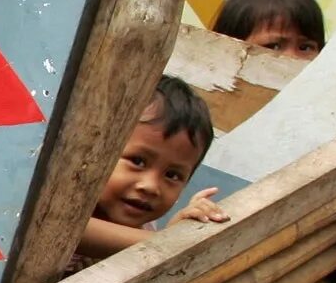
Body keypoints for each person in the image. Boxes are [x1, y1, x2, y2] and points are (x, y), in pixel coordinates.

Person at [77, 76, 229, 263]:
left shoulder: (146, 227)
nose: (151, 186)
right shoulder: (54, 207)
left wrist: (180, 229)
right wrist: (168, 241)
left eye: (172, 175)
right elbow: (71, 232)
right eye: (138, 161)